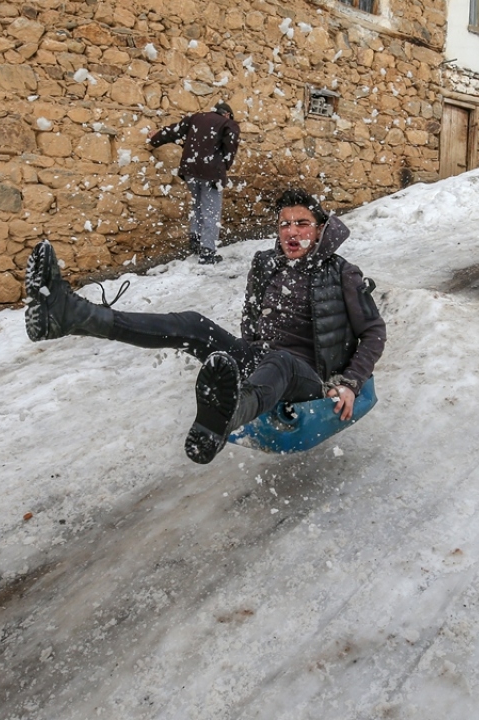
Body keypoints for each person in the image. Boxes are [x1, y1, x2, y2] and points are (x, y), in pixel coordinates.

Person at [22, 189, 387, 465]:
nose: (292, 232)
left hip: (311, 379)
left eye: (302, 224)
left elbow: (373, 331)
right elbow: (251, 323)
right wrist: (245, 361)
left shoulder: (341, 272)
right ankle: (71, 315)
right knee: (193, 324)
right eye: (284, 224)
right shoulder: (266, 264)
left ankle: (228, 416)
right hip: (266, 365)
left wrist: (349, 383)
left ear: (320, 229)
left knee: (280, 362)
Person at [148, 102, 241, 265]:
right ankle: (207, 252)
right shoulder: (228, 124)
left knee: (198, 204)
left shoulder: (196, 118)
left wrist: (155, 139)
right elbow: (230, 146)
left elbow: (174, 131)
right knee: (211, 211)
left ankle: (195, 240)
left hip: (189, 170)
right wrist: (223, 166)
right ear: (227, 114)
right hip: (211, 173)